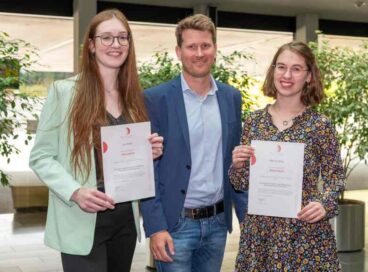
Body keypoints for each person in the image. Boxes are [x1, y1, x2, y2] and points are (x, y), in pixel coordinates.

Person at [29, 9, 163, 272]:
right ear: (91, 45)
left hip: (124, 220)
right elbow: (41, 157)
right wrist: (75, 191)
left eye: (122, 38)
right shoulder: (65, 93)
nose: (116, 44)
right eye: (107, 38)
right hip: (82, 218)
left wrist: (148, 153)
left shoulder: (135, 99)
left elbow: (128, 157)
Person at [140, 14, 247, 272]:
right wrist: (155, 227)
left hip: (218, 224)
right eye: (191, 46)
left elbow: (238, 164)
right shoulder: (156, 99)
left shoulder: (231, 97)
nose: (199, 53)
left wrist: (246, 221)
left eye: (205, 45)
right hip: (176, 225)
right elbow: (147, 169)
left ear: (215, 49)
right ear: (179, 52)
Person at [230, 41, 345, 271]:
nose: (287, 75)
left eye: (296, 69)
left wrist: (324, 204)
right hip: (260, 238)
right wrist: (238, 165)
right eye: (281, 67)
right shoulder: (254, 122)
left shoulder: (320, 125)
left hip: (306, 235)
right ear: (273, 71)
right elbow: (241, 183)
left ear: (309, 76)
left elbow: (336, 178)